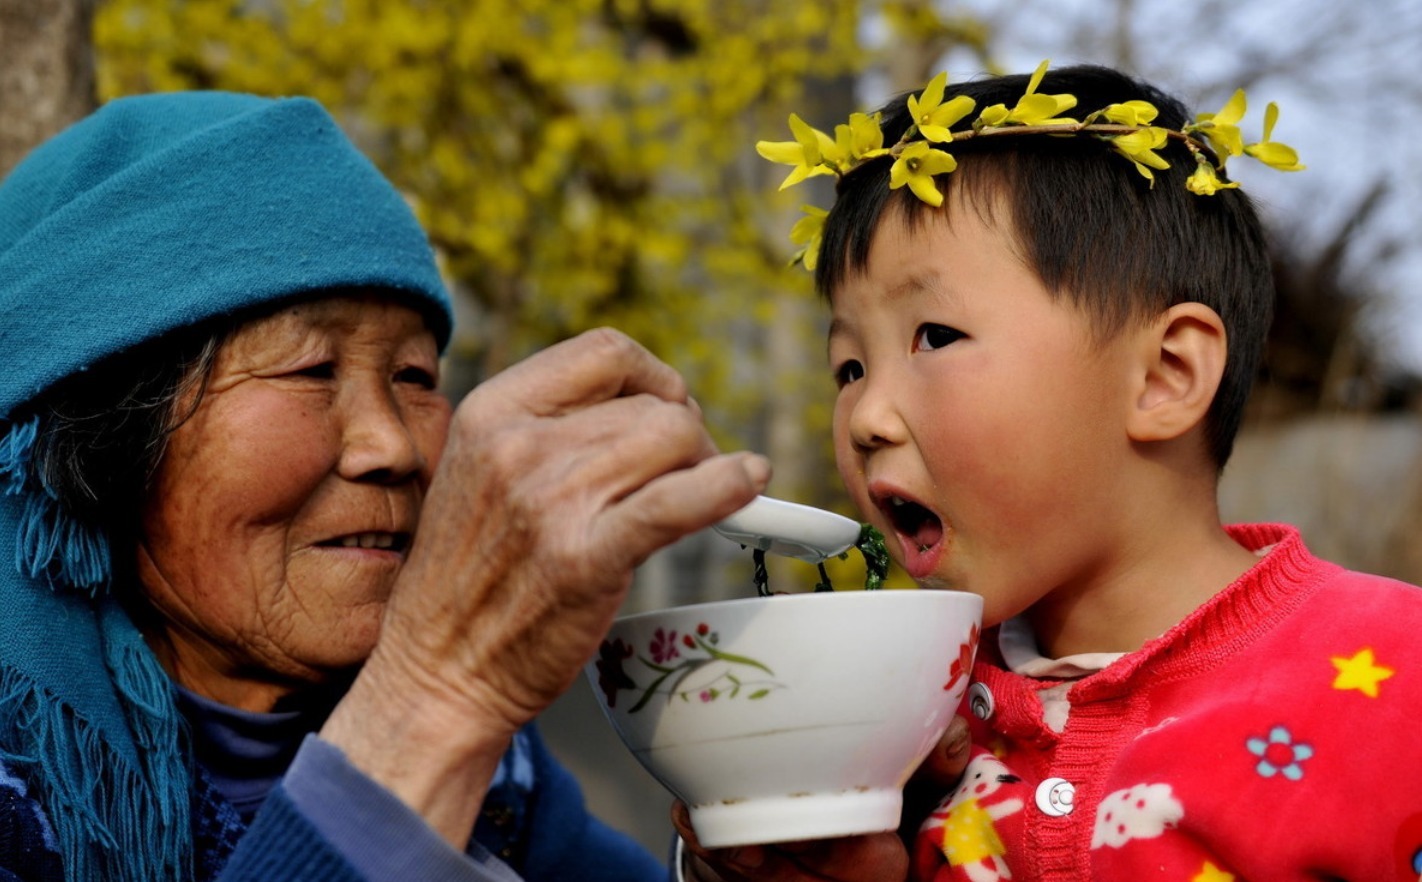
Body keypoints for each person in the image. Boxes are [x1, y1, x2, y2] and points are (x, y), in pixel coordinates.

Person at [0, 90, 778, 881]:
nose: (392, 445)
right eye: (311, 369)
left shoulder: (504, 778)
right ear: (100, 435)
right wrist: (434, 702)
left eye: (414, 375)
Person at [677, 62, 1422, 880]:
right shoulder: (893, 716)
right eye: (848, 367)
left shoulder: (1399, 678)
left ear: (1164, 375)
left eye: (934, 336)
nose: (866, 418)